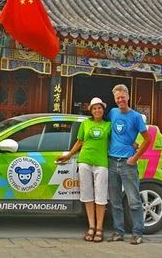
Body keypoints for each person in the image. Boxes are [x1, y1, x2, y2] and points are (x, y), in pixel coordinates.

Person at [57, 97, 111, 242]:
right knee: (87, 195)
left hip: (101, 163)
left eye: (99, 108)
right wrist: (69, 155)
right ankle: (91, 227)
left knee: (101, 197)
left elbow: (117, 141)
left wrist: (133, 145)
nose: (97, 110)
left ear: (103, 110)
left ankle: (100, 228)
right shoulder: (85, 124)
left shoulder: (108, 125)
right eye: (94, 108)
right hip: (85, 161)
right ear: (91, 111)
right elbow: (79, 141)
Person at [107, 84, 151, 245]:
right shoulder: (112, 112)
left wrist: (135, 157)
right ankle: (118, 232)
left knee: (133, 200)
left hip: (128, 163)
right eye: (118, 98)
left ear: (128, 97)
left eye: (123, 97)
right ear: (115, 99)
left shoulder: (136, 117)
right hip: (111, 161)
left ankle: (137, 233)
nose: (120, 100)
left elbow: (147, 139)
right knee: (115, 200)